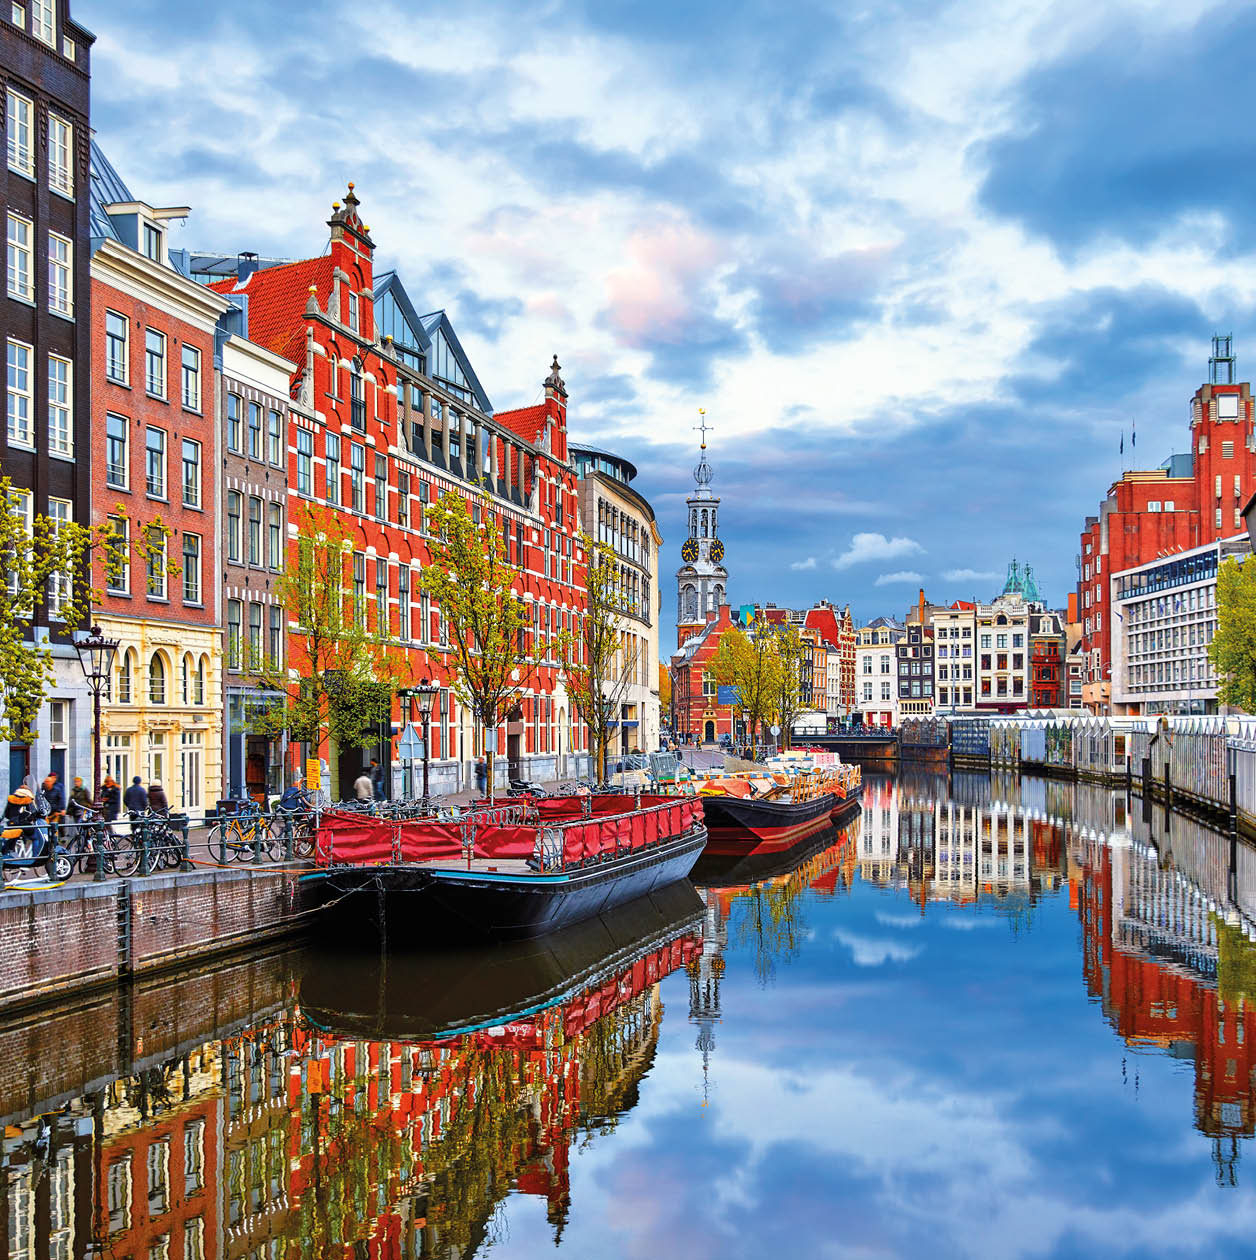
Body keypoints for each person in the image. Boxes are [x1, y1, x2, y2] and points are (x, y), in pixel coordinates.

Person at [3, 786, 46, 852]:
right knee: (36, 837)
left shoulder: (11, 799)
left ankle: (7, 851)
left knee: (11, 836)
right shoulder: (28, 799)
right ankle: (36, 855)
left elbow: (7, 815)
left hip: (12, 825)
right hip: (24, 826)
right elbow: (32, 813)